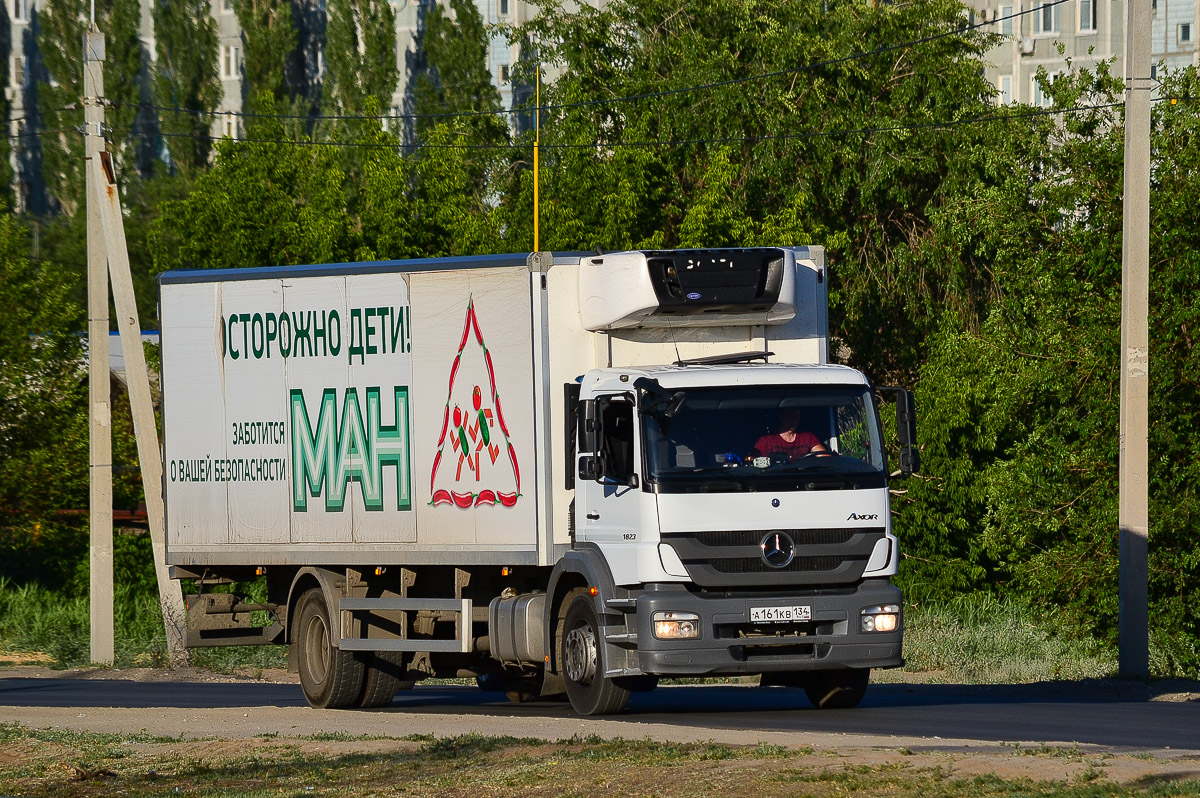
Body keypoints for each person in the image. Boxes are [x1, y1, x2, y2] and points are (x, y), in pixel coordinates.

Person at [752, 407, 829, 462]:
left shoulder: (808, 437)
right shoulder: (766, 440)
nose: (794, 419)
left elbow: (823, 456)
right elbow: (754, 462)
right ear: (781, 417)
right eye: (790, 416)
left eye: (796, 416)